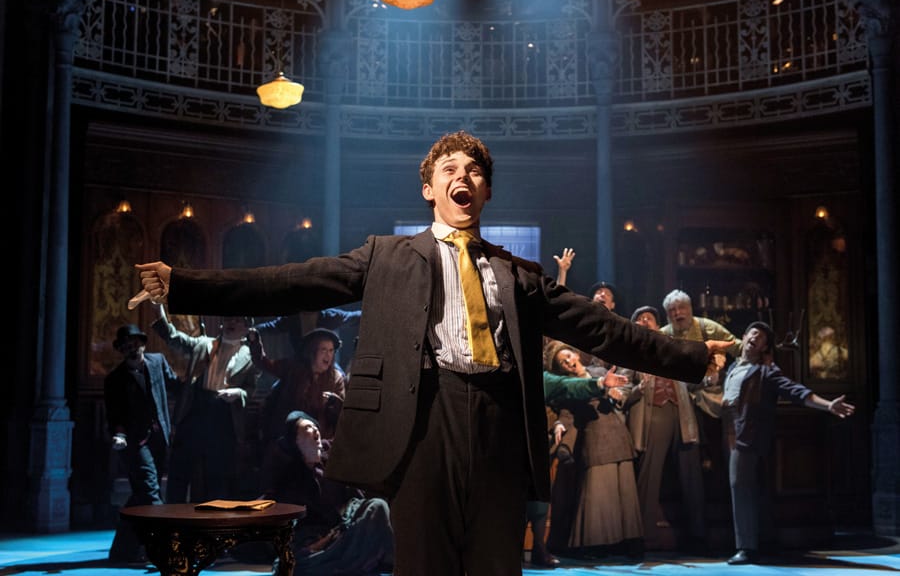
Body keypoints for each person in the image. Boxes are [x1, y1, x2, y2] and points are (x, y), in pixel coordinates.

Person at [135, 130, 730, 575]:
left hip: (500, 422)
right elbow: (291, 281)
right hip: (421, 421)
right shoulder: (386, 256)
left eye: (474, 169)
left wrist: (692, 355)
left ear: (486, 190)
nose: (462, 176)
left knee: (495, 565)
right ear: (429, 187)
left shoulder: (518, 275)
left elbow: (607, 331)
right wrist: (185, 284)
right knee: (425, 566)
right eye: (450, 167)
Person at [720, 321, 855, 565]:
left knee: (740, 487)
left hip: (747, 434)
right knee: (745, 488)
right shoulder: (733, 367)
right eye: (753, 333)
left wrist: (828, 405)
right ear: (744, 335)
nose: (755, 338)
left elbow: (797, 391)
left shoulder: (766, 371)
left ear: (764, 348)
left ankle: (747, 547)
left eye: (761, 338)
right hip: (729, 429)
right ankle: (759, 540)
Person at [256, 410, 393, 574]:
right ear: (296, 441)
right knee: (298, 562)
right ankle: (350, 562)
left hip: (343, 529)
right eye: (308, 427)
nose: (315, 430)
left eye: (316, 426)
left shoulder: (331, 462)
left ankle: (359, 561)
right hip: (318, 542)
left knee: (377, 507)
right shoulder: (291, 479)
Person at [625, 305, 717, 550]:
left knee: (691, 476)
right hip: (653, 414)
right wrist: (636, 390)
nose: (645, 322)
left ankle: (697, 535)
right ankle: (643, 537)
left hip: (682, 414)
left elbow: (692, 380)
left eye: (650, 318)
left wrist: (708, 378)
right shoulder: (630, 352)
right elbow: (621, 388)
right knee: (649, 475)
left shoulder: (673, 349)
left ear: (658, 325)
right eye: (640, 319)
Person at [149, 303, 260, 503]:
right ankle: (172, 518)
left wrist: (238, 393)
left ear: (246, 327)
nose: (231, 323)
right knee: (179, 470)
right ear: (221, 324)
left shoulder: (251, 356)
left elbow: (251, 390)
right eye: (228, 319)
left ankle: (214, 523)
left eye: (237, 320)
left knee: (217, 474)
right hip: (196, 409)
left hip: (223, 415)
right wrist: (160, 313)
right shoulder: (204, 344)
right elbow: (174, 338)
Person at [544, 340, 643, 559]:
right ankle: (594, 544)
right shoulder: (567, 384)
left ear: (576, 354)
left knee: (624, 490)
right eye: (563, 362)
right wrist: (559, 424)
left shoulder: (598, 371)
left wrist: (618, 395)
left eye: (568, 355)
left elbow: (619, 392)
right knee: (599, 492)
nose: (569, 362)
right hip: (594, 436)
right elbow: (565, 411)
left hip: (617, 431)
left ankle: (628, 542)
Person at [103, 324, 178, 563]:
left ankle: (122, 551)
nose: (131, 349)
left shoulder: (157, 362)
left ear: (142, 344)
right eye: (126, 347)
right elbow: (114, 415)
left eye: (134, 344)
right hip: (135, 444)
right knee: (150, 491)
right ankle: (164, 549)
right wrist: (119, 435)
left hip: (159, 438)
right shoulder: (115, 380)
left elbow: (176, 386)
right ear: (121, 351)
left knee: (139, 495)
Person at [249, 327, 346, 444]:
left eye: (331, 350)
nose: (328, 355)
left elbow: (342, 413)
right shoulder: (293, 368)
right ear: (312, 351)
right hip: (288, 436)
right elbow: (264, 363)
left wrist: (334, 402)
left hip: (319, 440)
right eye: (324, 350)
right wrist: (255, 343)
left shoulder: (335, 378)